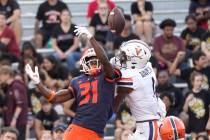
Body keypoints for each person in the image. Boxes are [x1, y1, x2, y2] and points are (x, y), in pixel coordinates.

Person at [25, 25, 121, 140]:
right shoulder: (77, 81)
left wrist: (91, 38)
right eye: (90, 61)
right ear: (83, 63)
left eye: (97, 61)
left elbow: (105, 60)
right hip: (78, 130)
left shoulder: (106, 75)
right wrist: (38, 83)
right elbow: (54, 98)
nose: (94, 63)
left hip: (96, 132)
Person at [111, 39, 164, 140]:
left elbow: (116, 102)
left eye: (124, 55)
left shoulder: (131, 77)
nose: (122, 57)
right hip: (152, 121)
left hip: (147, 125)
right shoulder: (148, 66)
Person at [0, 65, 28, 140]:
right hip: (10, 121)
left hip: (18, 122)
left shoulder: (16, 86)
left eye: (1, 75)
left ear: (7, 75)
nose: (0, 77)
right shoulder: (8, 87)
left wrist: (14, 120)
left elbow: (20, 104)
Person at [183, 72, 210, 139]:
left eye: (201, 80)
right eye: (197, 81)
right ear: (193, 82)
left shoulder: (206, 93)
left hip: (203, 124)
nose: (200, 83)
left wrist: (209, 121)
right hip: (192, 126)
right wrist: (187, 101)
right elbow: (185, 111)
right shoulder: (188, 93)